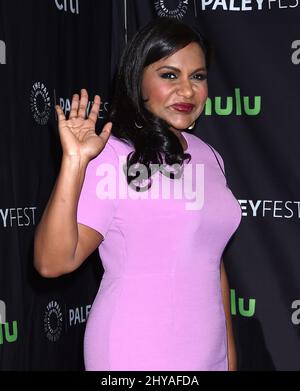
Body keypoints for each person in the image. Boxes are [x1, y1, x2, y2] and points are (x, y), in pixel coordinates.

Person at [34, 17, 241, 371]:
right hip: (136, 349)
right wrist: (74, 162)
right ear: (138, 78)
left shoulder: (209, 155)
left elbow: (212, 262)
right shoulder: (113, 155)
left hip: (208, 350)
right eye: (169, 75)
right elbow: (52, 262)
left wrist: (228, 357)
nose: (187, 91)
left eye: (198, 76)